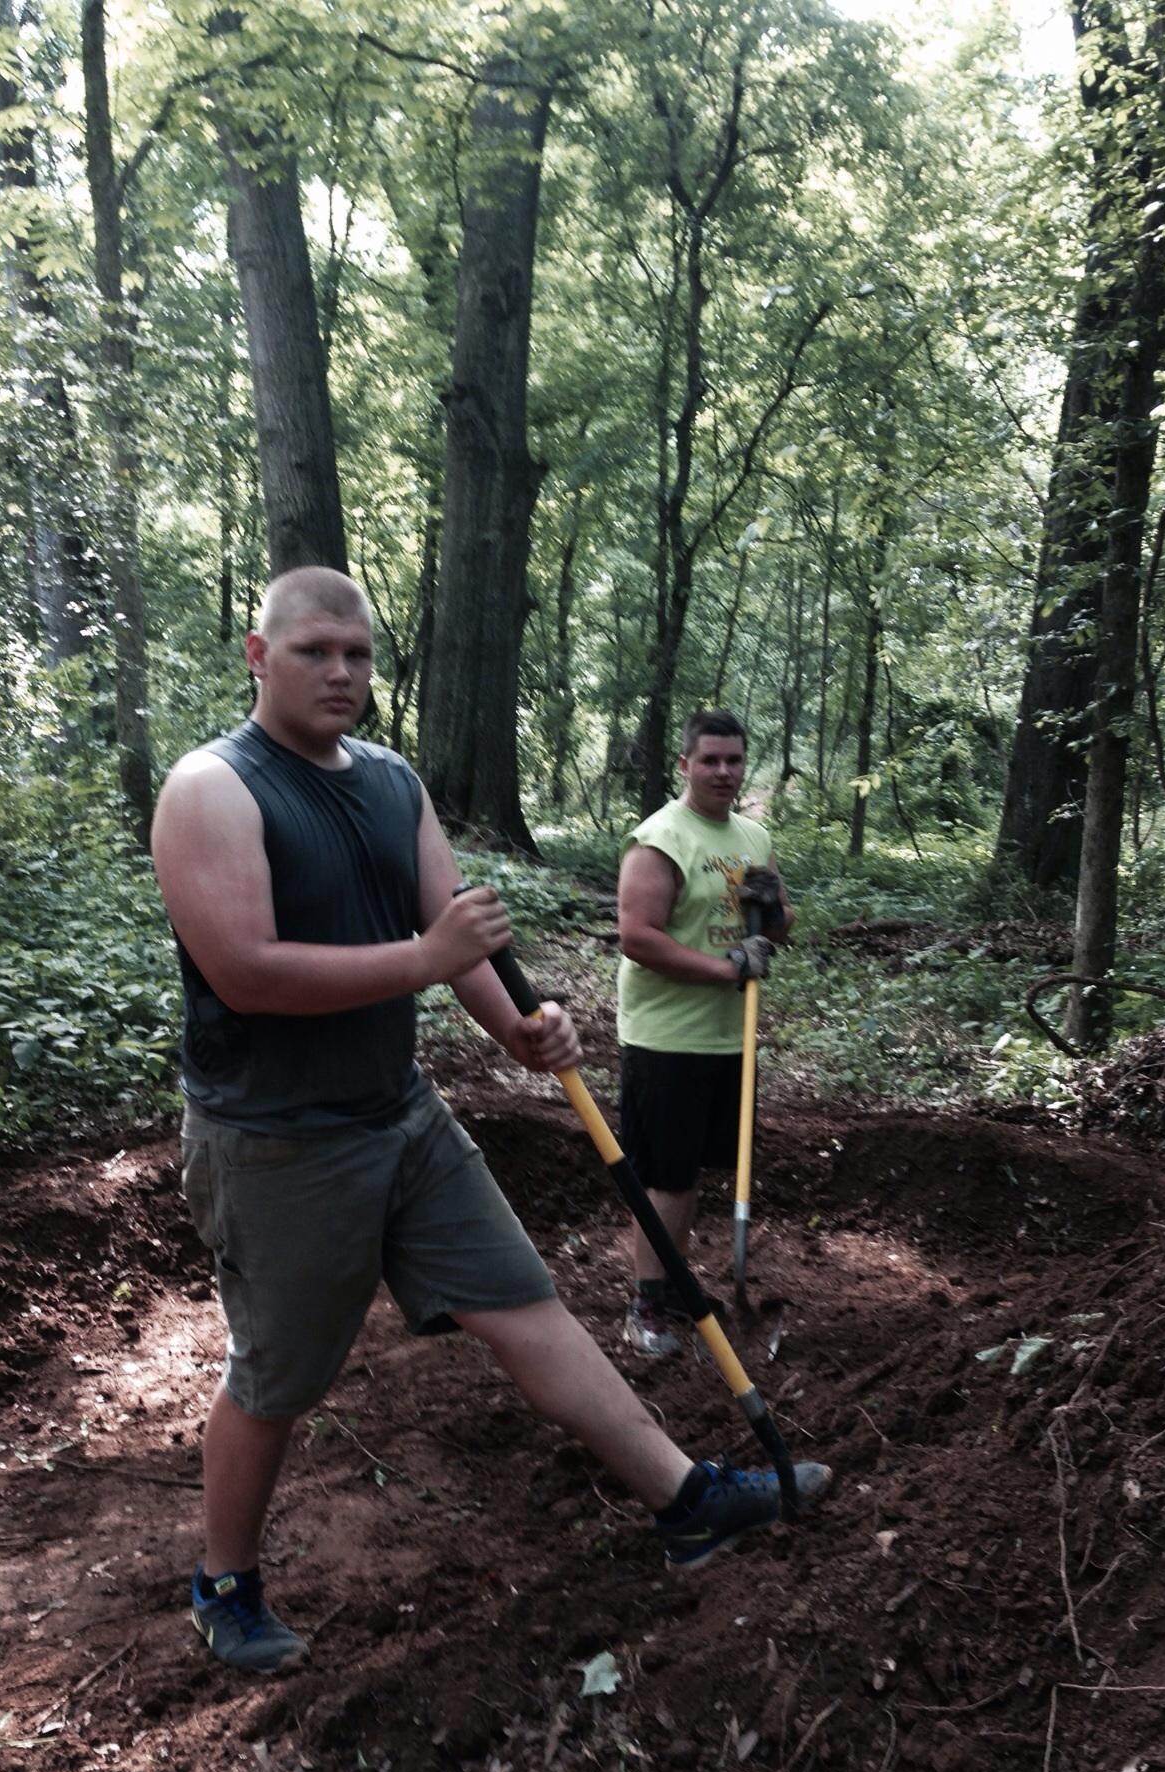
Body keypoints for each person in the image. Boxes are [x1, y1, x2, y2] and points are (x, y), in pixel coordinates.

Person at [150, 569, 826, 1675]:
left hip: (402, 1116)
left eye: (359, 654)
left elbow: (450, 926)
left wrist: (517, 1027)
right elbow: (249, 970)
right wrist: (427, 962)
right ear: (257, 653)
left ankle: (687, 1498)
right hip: (276, 1136)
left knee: (526, 1306)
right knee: (277, 1377)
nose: (341, 672)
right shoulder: (212, 788)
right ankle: (225, 1579)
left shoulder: (390, 781)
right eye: (316, 650)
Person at [616, 709, 793, 1357]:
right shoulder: (660, 839)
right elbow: (637, 938)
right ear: (685, 765)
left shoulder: (752, 836)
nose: (723, 771)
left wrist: (774, 914)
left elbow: (775, 929)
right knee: (665, 1175)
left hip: (729, 1035)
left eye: (734, 760)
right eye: (710, 760)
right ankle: (648, 1305)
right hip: (667, 1036)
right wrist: (726, 968)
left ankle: (675, 1288)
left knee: (690, 1175)